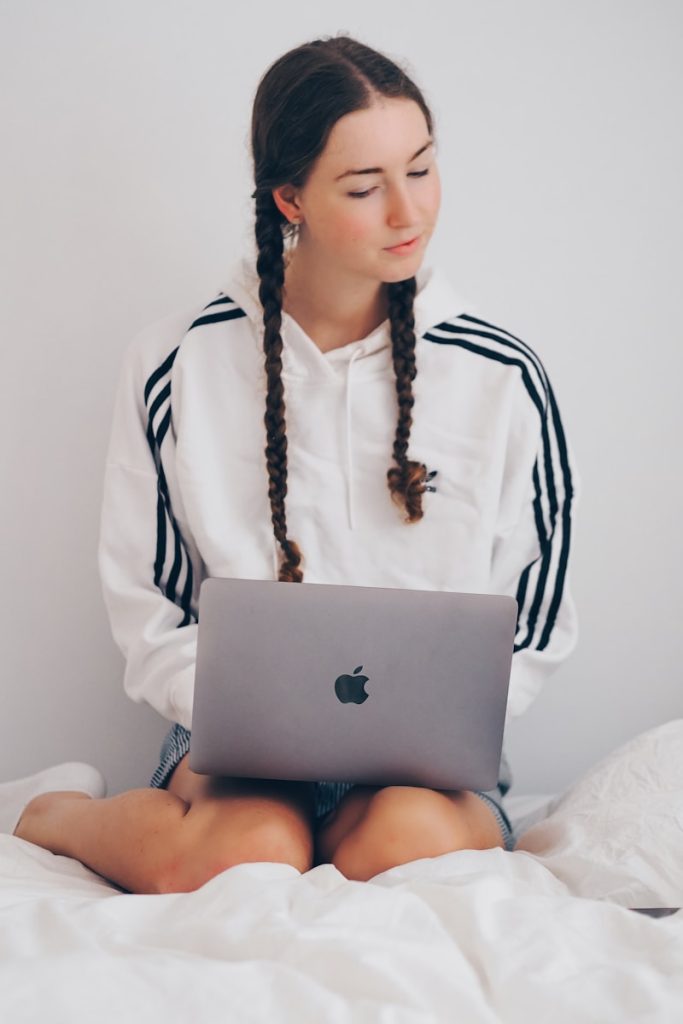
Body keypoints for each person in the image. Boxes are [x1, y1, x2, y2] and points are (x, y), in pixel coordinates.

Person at [2, 34, 579, 893]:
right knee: (253, 852)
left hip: (426, 763)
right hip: (232, 747)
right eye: (363, 186)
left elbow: (537, 611)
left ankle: (345, 825)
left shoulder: (503, 376)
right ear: (289, 199)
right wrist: (240, 719)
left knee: (402, 846)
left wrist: (451, 725)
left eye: (420, 169)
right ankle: (57, 813)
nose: (407, 211)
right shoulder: (175, 363)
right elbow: (148, 599)